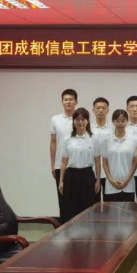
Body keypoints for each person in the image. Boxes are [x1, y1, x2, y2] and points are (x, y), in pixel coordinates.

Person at [58, 108, 101, 223]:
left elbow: (97, 161)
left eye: (83, 119)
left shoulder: (94, 139)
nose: (80, 122)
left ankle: (87, 232)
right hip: (71, 176)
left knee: (87, 207)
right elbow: (64, 162)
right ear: (73, 121)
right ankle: (71, 232)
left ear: (87, 121)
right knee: (71, 207)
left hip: (87, 176)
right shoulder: (67, 139)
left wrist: (98, 180)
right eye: (77, 119)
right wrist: (61, 181)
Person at [50, 89, 78, 221]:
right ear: (62, 102)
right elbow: (53, 142)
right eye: (66, 99)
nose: (68, 102)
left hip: (77, 165)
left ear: (76, 102)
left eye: (71, 99)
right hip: (60, 165)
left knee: (76, 200)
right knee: (63, 200)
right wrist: (52, 164)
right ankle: (64, 228)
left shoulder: (80, 119)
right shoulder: (55, 120)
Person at [102, 110, 137, 203]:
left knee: (128, 211)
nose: (120, 123)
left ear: (127, 122)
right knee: (111, 211)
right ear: (113, 122)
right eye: (117, 121)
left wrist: (126, 180)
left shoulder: (134, 140)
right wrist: (111, 180)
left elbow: (135, 162)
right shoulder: (107, 140)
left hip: (128, 185)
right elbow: (104, 162)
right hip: (111, 186)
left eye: (123, 121)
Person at [91, 97, 111, 200]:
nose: (100, 110)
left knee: (109, 204)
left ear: (108, 110)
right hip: (93, 174)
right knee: (94, 205)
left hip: (109, 174)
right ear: (93, 110)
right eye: (98, 108)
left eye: (103, 108)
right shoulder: (88, 129)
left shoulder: (113, 128)